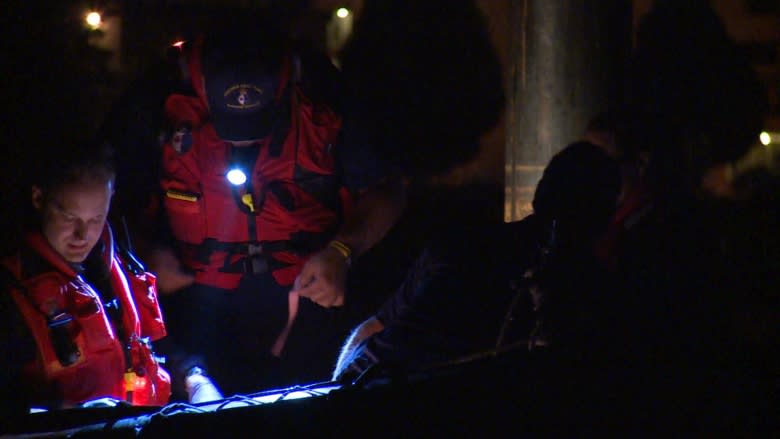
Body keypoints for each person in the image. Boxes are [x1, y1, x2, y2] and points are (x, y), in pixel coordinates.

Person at [125, 17, 405, 396]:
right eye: (229, 127)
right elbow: (101, 199)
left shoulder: (325, 94)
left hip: (308, 295)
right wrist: (142, 257)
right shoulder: (157, 100)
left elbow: (385, 189)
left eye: (257, 129)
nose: (242, 145)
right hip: (194, 303)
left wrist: (342, 251)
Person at [0, 141, 172, 417]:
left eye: (96, 219)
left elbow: (146, 344)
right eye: (69, 217)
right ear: (38, 199)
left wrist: (194, 374)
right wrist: (64, 412)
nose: (83, 235)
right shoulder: (12, 293)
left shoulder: (118, 261)